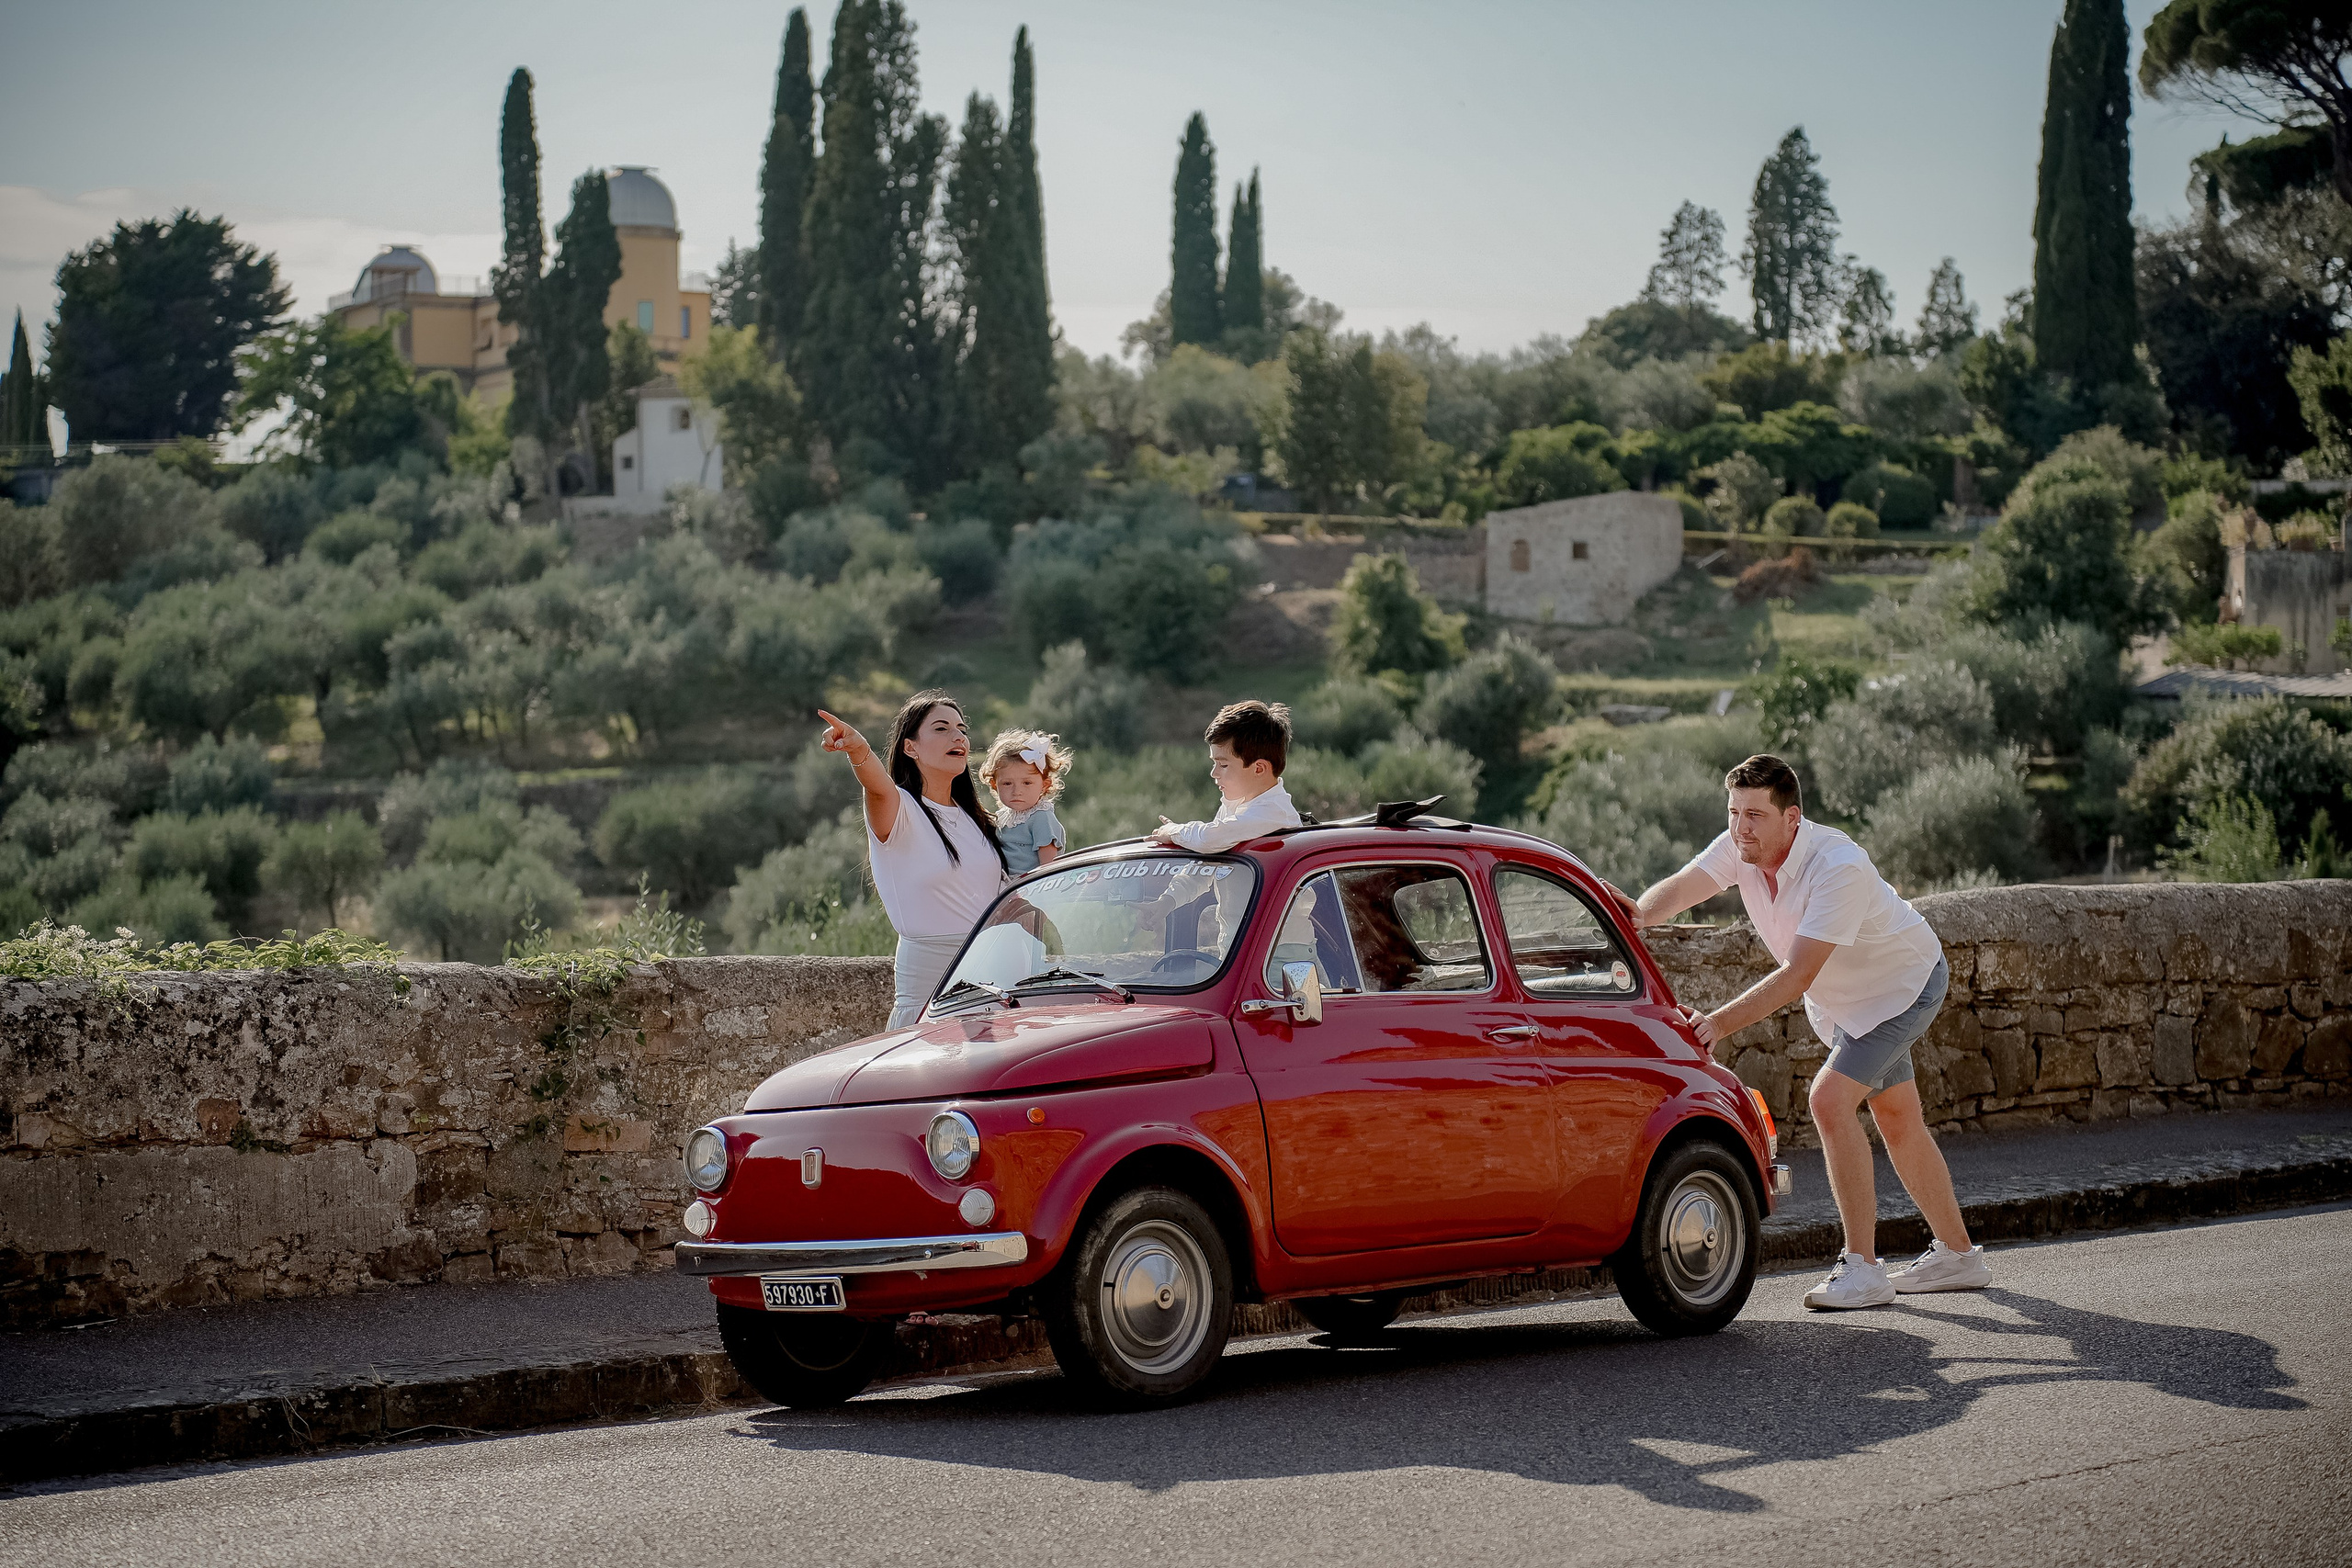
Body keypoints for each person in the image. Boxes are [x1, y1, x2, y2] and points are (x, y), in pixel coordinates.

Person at [1629, 752, 1992, 1310]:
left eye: (1754, 814)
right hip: (1855, 1005)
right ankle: (1959, 1257)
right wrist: (1633, 916)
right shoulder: (1740, 847)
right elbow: (1680, 889)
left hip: (1905, 987)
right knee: (1898, 1119)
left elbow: (1797, 975)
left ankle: (1863, 1269)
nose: (1739, 827)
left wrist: (1719, 1022)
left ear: (1791, 818)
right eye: (1733, 812)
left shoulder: (1836, 866)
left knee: (1828, 1100)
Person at [818, 692, 1008, 1030]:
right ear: (910, 747)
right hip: (930, 1003)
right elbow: (878, 788)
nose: (958, 737)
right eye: (941, 728)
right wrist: (859, 751)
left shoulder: (976, 820)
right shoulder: (900, 808)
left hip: (995, 994)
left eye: (961, 729)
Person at [1150, 699, 1302, 852]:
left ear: (1259, 769)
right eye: (1214, 763)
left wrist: (1173, 831)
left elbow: (1209, 839)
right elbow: (1207, 866)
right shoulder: (1235, 804)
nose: (1214, 773)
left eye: (1223, 765)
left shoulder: (1273, 811)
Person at [980, 728, 1070, 876]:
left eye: (1027, 783)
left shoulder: (1041, 818)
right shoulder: (1002, 816)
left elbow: (1049, 869)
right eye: (1007, 783)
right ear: (994, 785)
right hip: (1003, 885)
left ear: (1045, 785)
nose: (1017, 791)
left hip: (1029, 887)